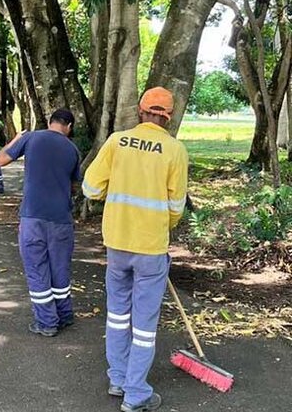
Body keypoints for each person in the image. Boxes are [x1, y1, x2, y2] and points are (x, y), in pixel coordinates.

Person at [82, 87, 189, 412]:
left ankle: (118, 378)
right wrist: (159, 228)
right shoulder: (175, 150)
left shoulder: (117, 141)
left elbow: (90, 187)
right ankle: (136, 394)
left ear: (141, 111)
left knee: (117, 315)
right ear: (168, 117)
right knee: (144, 323)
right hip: (151, 248)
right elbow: (176, 207)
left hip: (117, 244)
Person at [0, 109, 81, 337]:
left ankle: (46, 322)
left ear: (50, 122)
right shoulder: (73, 149)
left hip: (33, 217)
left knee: (37, 268)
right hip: (62, 219)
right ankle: (64, 315)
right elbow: (74, 186)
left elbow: (0, 160)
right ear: (69, 127)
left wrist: (15, 138)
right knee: (60, 268)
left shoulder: (31, 137)